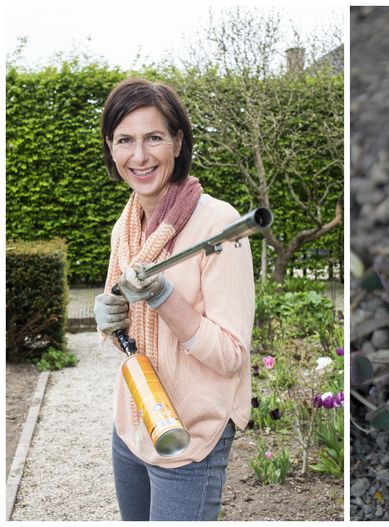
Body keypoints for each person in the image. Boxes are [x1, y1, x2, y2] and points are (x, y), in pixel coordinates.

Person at [93, 78, 255, 521]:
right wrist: (107, 319)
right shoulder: (125, 225)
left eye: (154, 138)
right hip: (133, 421)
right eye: (125, 140)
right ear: (111, 147)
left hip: (190, 438)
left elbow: (232, 356)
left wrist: (166, 297)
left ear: (178, 141)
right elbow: (121, 331)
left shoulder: (219, 226)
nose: (139, 156)